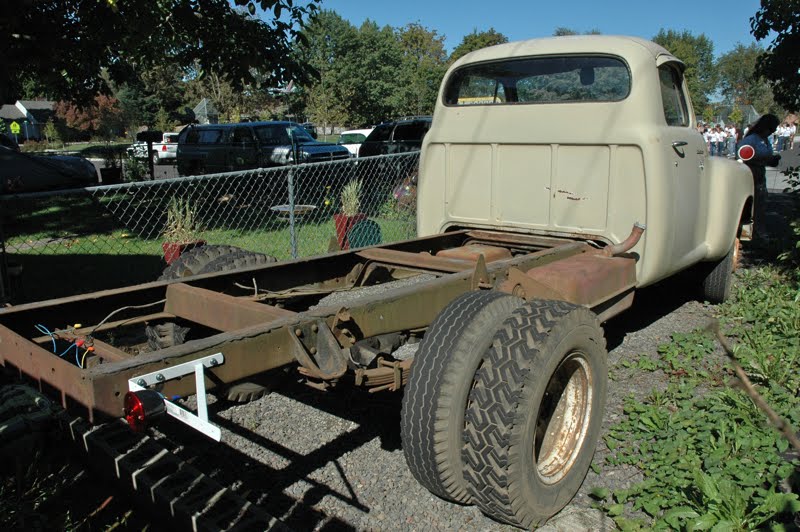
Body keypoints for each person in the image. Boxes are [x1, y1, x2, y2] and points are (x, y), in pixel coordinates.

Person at [736, 114, 781, 237]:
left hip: (760, 175)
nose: (773, 131)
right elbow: (742, 155)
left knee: (760, 206)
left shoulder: (765, 140)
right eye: (772, 128)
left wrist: (771, 159)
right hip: (750, 175)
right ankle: (745, 235)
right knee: (749, 207)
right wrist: (762, 159)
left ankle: (757, 233)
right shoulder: (751, 139)